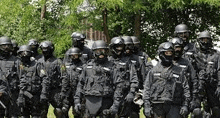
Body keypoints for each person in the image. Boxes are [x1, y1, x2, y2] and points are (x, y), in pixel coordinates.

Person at [74, 40, 123, 118]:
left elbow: (119, 86)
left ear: (106, 51)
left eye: (103, 51)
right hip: (89, 101)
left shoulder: (112, 67)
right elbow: (80, 84)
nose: (101, 54)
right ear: (94, 52)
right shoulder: (87, 67)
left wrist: (116, 104)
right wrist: (77, 101)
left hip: (106, 101)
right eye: (98, 51)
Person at [143, 42, 190, 118]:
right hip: (157, 106)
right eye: (166, 53)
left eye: (170, 53)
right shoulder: (153, 71)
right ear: (161, 53)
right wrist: (147, 106)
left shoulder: (179, 71)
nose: (168, 55)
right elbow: (147, 89)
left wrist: (185, 105)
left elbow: (186, 89)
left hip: (174, 106)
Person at [108, 37, 139, 118]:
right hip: (109, 96)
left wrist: (132, 93)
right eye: (117, 47)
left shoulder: (128, 61)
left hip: (124, 96)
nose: (119, 49)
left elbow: (134, 78)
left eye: (121, 47)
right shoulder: (107, 61)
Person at [170, 37, 201, 118]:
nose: (177, 50)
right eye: (175, 47)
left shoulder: (186, 62)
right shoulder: (166, 62)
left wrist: (194, 98)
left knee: (197, 112)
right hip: (170, 98)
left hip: (185, 96)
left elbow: (194, 80)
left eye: (179, 47)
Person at [194, 31, 220, 117]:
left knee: (216, 110)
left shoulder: (216, 54)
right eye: (203, 39)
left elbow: (219, 70)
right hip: (198, 86)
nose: (205, 41)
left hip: (213, 86)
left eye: (207, 39)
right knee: (196, 111)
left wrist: (219, 85)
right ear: (199, 41)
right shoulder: (195, 55)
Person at [16, 45, 47, 118]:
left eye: (27, 53)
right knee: (24, 115)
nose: (25, 55)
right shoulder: (18, 65)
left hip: (35, 95)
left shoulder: (37, 65)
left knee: (36, 115)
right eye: (22, 53)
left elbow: (45, 79)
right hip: (22, 96)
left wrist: (43, 93)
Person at [39, 41, 67, 118]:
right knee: (42, 112)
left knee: (59, 111)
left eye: (46, 49)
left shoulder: (58, 62)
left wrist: (63, 91)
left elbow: (64, 77)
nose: (44, 51)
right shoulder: (39, 62)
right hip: (43, 90)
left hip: (55, 91)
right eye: (43, 49)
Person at [0, 36, 20, 118]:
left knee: (13, 116)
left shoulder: (17, 60)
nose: (6, 48)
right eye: (4, 46)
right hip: (1, 94)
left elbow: (22, 78)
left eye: (8, 45)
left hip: (13, 94)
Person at [61, 47, 84, 118]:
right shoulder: (65, 65)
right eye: (72, 55)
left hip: (78, 92)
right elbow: (63, 78)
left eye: (75, 55)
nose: (74, 57)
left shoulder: (83, 65)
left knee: (77, 111)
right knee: (63, 111)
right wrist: (63, 92)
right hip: (68, 92)